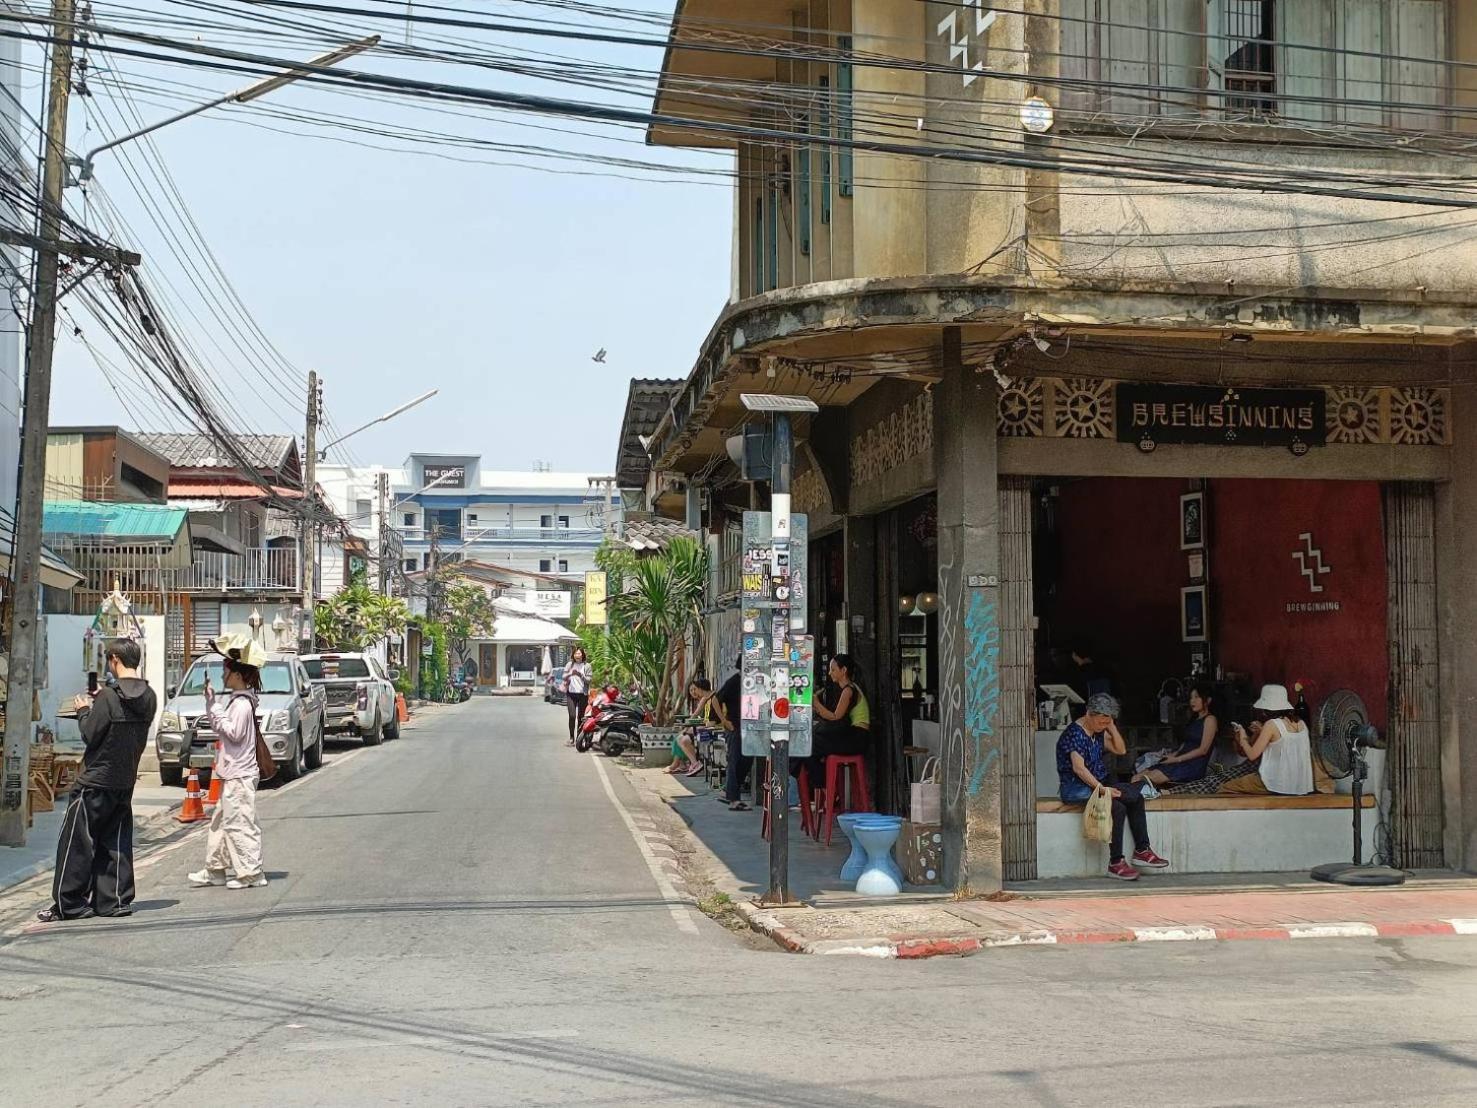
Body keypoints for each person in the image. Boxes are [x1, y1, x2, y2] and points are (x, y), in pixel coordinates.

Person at [36, 639, 157, 923]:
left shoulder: (108, 697)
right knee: (115, 842)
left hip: (94, 782)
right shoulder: (149, 695)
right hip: (124, 780)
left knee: (77, 843)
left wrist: (82, 710)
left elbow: (91, 734)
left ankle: (70, 904)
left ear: (114, 659)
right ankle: (114, 900)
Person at [1056, 692, 1170, 881]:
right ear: (1089, 714)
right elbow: (1079, 769)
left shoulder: (1098, 731)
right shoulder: (1074, 734)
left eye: (1106, 722)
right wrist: (1102, 790)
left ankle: (1139, 852)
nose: (1103, 725)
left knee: (1134, 798)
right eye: (1101, 721)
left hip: (1098, 784)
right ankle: (1119, 862)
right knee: (1119, 803)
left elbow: (1120, 749)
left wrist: (1112, 728)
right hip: (1077, 788)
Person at [188, 636, 268, 890]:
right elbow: (224, 728)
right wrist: (213, 704)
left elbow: (232, 732)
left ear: (236, 674)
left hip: (239, 775)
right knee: (221, 822)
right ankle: (216, 870)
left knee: (240, 822)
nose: (223, 676)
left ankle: (251, 873)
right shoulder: (239, 701)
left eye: (226, 671)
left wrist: (215, 708)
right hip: (232, 772)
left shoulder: (242, 704)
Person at [1173, 684, 1314, 797]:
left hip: (1276, 783)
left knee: (1222, 786)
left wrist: (1243, 735)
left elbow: (1252, 755)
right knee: (1218, 779)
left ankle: (1172, 793)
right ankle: (1171, 792)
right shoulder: (1301, 723)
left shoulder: (1271, 725)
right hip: (1298, 784)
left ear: (1267, 709)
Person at [1134, 682, 1218, 789]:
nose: (1192, 701)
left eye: (1196, 697)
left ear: (1208, 700)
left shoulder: (1210, 720)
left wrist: (1177, 759)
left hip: (1192, 766)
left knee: (1144, 779)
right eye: (1191, 697)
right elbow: (1185, 744)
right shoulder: (1194, 720)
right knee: (1137, 776)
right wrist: (1172, 755)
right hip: (1180, 762)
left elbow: (1203, 750)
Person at [804, 654, 871, 784]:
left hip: (857, 739)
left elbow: (835, 717)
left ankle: (824, 785)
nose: (830, 673)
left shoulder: (849, 691)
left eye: (833, 669)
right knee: (812, 742)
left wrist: (816, 703)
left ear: (843, 670)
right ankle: (825, 785)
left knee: (811, 745)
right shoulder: (849, 689)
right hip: (854, 736)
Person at [718, 660, 751, 811]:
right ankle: (733, 799)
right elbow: (715, 699)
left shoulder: (752, 683)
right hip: (734, 727)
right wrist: (724, 721)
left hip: (748, 728)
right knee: (735, 761)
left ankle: (728, 791)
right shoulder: (733, 682)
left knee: (747, 760)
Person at [668, 678, 714, 777]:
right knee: (680, 737)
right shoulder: (696, 701)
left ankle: (686, 763)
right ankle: (684, 763)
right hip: (700, 726)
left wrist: (687, 725)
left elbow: (698, 716)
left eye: (695, 689)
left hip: (705, 728)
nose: (694, 692)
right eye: (691, 690)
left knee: (681, 738)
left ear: (701, 689)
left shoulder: (707, 699)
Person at [563, 647, 593, 745]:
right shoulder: (570, 664)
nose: (577, 655)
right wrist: (569, 674)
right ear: (573, 655)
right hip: (571, 694)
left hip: (582, 694)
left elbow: (589, 680)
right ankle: (571, 737)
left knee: (580, 717)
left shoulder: (587, 666)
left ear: (582, 655)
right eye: (576, 654)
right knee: (572, 716)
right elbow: (563, 676)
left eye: (579, 653)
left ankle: (579, 738)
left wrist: (581, 675)